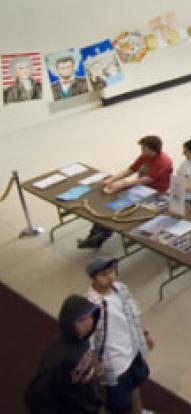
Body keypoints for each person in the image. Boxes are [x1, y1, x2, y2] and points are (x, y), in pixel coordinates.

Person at [78, 135, 173, 249]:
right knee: (109, 205)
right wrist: (110, 180)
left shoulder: (163, 161)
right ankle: (94, 236)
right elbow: (131, 169)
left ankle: (99, 237)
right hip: (140, 187)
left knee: (118, 208)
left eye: (143, 148)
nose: (141, 150)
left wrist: (123, 184)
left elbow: (147, 179)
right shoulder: (145, 155)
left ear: (151, 149)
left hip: (154, 193)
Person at [85, 257, 153, 414]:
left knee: (135, 385)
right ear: (93, 278)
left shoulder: (120, 288)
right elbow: (89, 341)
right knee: (115, 404)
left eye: (111, 271)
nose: (110, 276)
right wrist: (96, 365)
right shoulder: (90, 304)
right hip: (114, 362)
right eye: (104, 274)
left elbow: (133, 314)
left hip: (132, 351)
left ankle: (139, 411)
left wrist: (144, 334)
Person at [24, 294, 103, 414]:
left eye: (90, 317)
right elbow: (36, 396)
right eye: (81, 320)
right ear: (69, 322)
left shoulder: (84, 340)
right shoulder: (58, 358)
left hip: (88, 401)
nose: (88, 323)